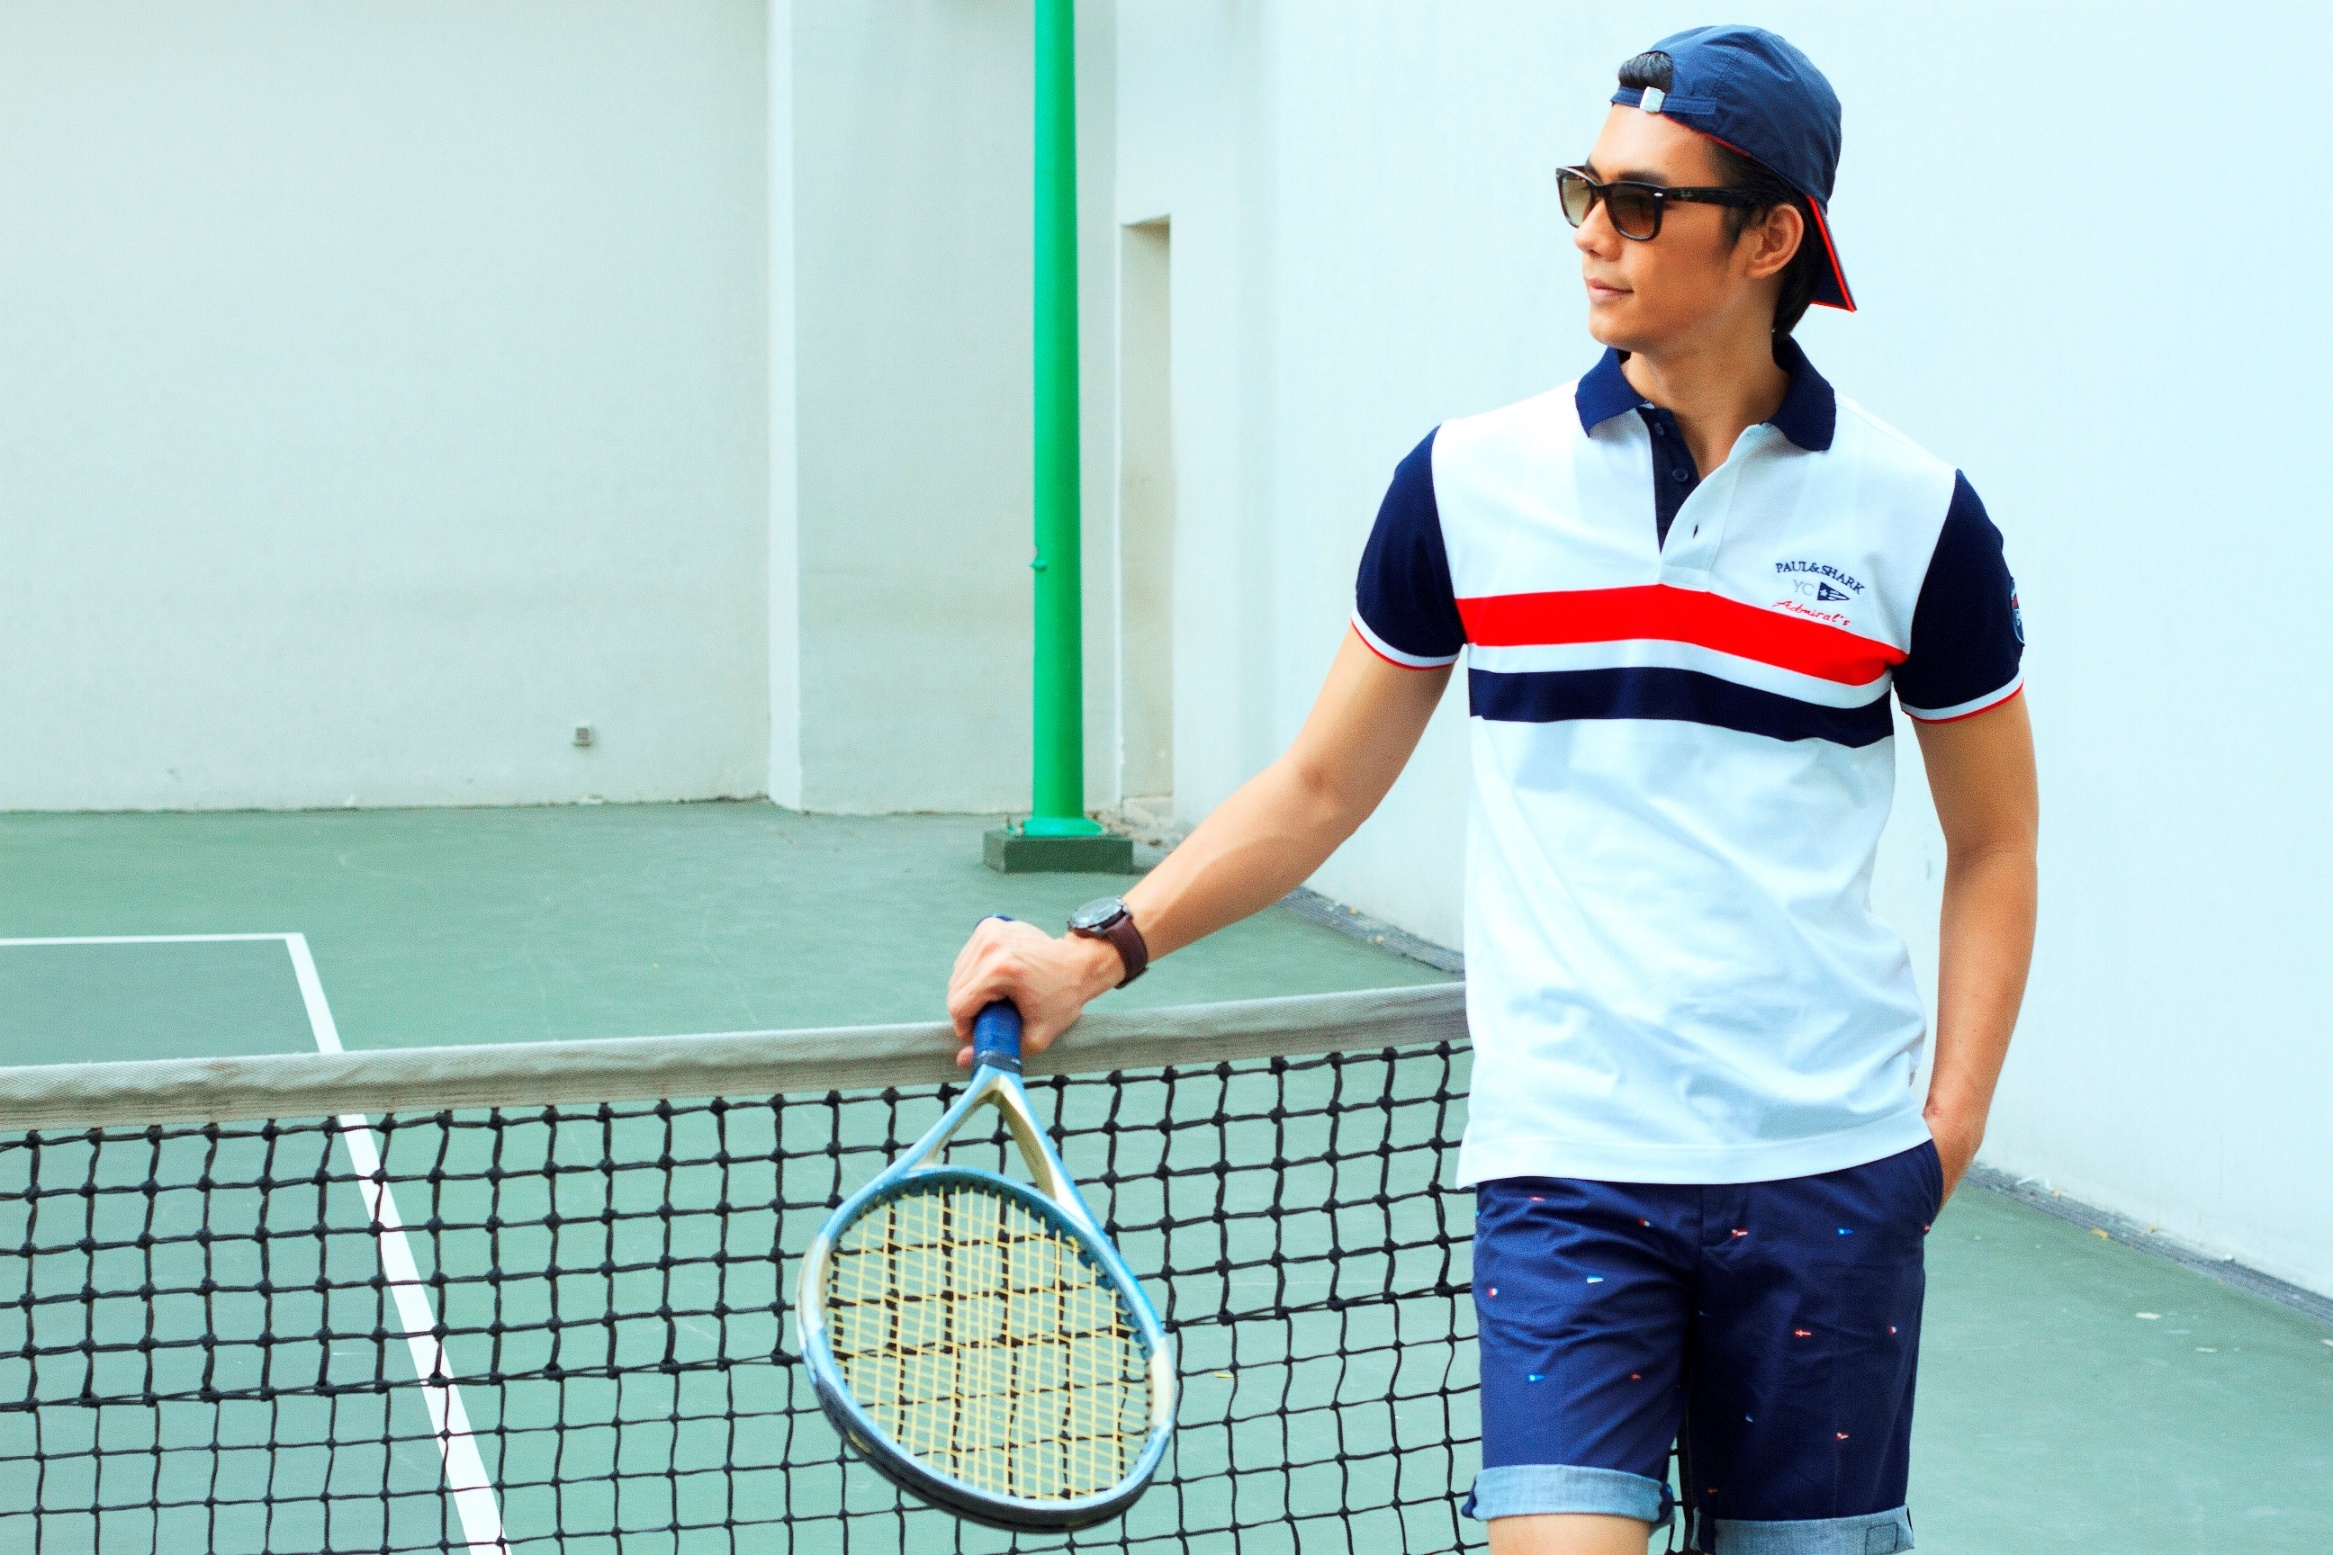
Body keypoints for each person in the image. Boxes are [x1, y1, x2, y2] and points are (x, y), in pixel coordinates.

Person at [948, 25, 2035, 1555]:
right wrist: (1099, 948)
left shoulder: (1912, 515)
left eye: (1641, 204)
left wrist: (1949, 1127)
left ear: (1769, 239)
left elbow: (1994, 839)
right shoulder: (1464, 483)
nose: (1592, 232)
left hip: (1827, 1185)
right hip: (1566, 1174)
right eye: (1585, 190)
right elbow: (1319, 785)